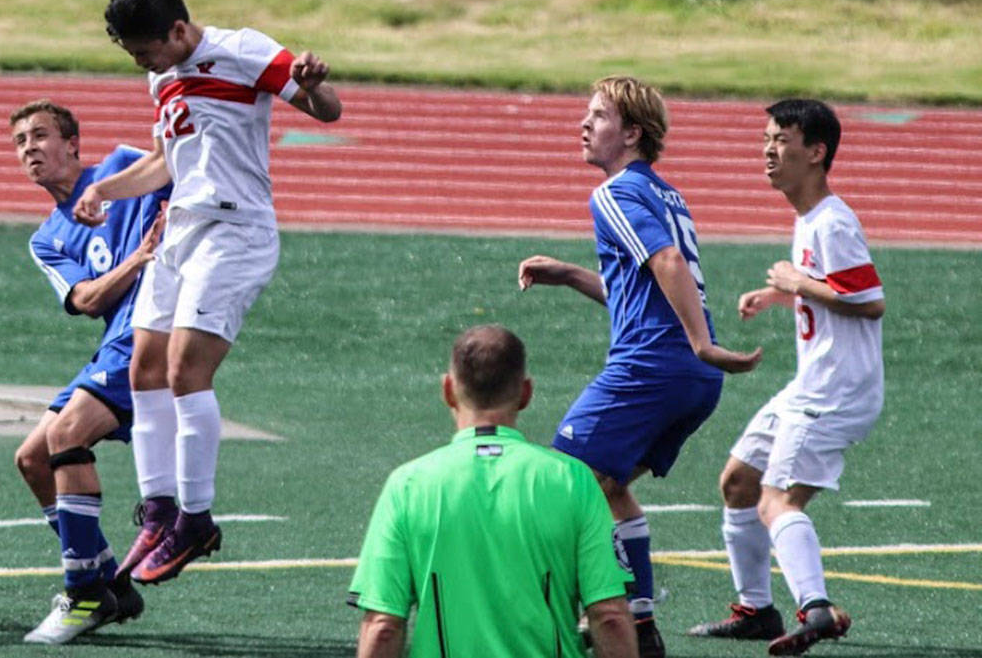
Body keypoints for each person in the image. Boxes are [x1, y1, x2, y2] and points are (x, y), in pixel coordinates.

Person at [70, 0, 340, 585]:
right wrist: (105, 189)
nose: (144, 63)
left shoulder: (243, 51)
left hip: (236, 230)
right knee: (143, 367)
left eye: (146, 50)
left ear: (180, 28)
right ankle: (159, 509)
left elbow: (329, 111)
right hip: (184, 230)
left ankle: (196, 519)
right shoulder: (161, 78)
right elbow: (167, 162)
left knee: (185, 370)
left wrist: (315, 85)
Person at [517, 75, 763, 658]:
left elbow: (667, 260)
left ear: (632, 133)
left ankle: (587, 619)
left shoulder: (613, 193)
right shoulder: (665, 192)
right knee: (608, 486)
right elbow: (649, 285)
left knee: (564, 481)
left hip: (655, 364)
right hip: (688, 378)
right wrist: (574, 275)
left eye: (598, 116)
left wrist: (703, 343)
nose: (584, 124)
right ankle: (640, 625)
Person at [688, 99, 881, 655]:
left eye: (781, 141)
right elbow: (835, 289)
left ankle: (815, 609)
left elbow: (869, 302)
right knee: (738, 482)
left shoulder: (833, 222)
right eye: (766, 140)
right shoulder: (809, 219)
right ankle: (755, 609)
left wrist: (797, 283)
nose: (768, 151)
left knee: (776, 501)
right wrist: (782, 293)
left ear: (816, 152)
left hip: (835, 392)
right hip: (812, 385)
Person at [349, 325, 638, 658]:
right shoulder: (573, 480)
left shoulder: (408, 485)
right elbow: (610, 616)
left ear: (447, 390)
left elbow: (383, 626)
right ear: (526, 393)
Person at [7, 100, 166, 644]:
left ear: (73, 143)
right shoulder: (47, 238)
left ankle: (84, 594)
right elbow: (87, 301)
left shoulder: (121, 167)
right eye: (21, 142)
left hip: (150, 332)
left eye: (40, 135)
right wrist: (137, 259)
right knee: (31, 459)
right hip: (113, 340)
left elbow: (175, 170)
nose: (30, 148)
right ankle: (108, 578)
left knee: (66, 434)